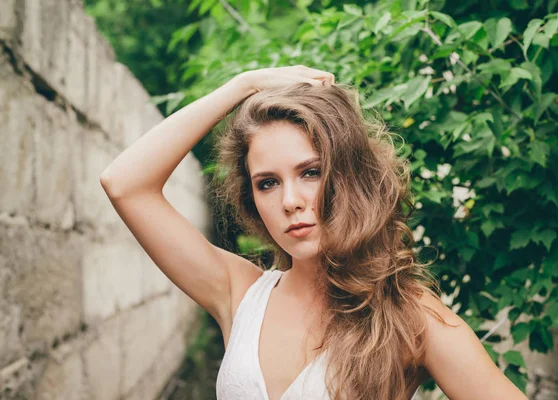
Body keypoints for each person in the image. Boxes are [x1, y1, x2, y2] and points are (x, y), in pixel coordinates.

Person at [100, 65, 527, 400]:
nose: (290, 200)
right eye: (267, 182)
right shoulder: (239, 293)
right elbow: (124, 183)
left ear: (349, 176)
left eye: (311, 172)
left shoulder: (410, 316)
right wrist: (241, 86)